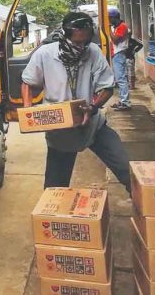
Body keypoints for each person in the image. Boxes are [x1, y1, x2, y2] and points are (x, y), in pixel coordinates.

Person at [21, 11, 131, 192]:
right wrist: (27, 110)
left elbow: (107, 87)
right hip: (60, 131)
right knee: (54, 190)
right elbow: (28, 82)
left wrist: (93, 107)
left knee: (127, 171)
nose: (81, 47)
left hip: (93, 126)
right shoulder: (45, 54)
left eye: (85, 42)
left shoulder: (93, 52)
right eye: (77, 42)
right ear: (64, 36)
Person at [108, 9, 131, 110]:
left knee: (121, 79)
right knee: (119, 79)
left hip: (119, 54)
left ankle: (125, 102)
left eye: (110, 18)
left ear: (114, 18)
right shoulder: (118, 26)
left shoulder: (122, 26)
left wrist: (108, 30)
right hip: (117, 54)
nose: (109, 20)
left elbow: (115, 40)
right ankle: (123, 101)